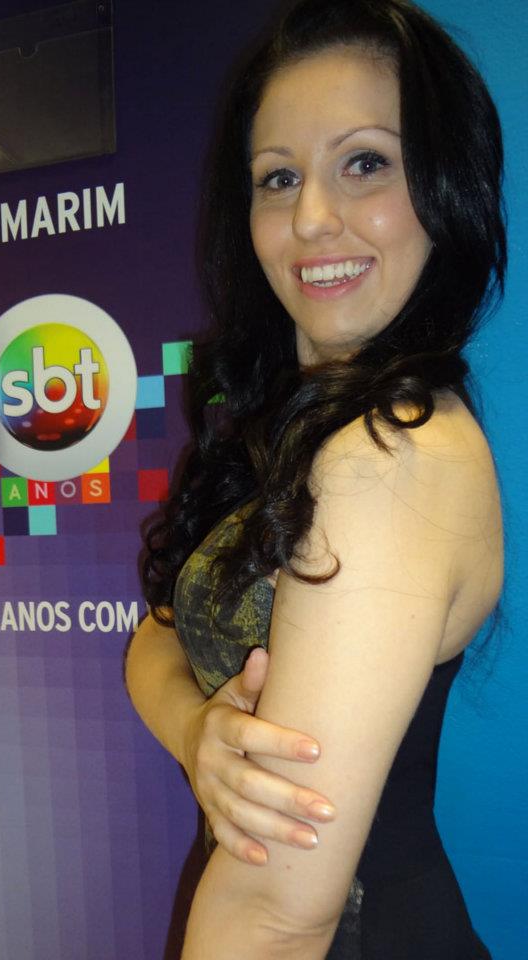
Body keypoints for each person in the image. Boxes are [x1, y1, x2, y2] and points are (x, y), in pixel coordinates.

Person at [125, 0, 505, 956]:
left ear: (445, 187)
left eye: (365, 163)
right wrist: (197, 730)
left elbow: (279, 909)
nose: (310, 219)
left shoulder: (391, 456)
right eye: (279, 177)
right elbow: (157, 636)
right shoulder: (289, 427)